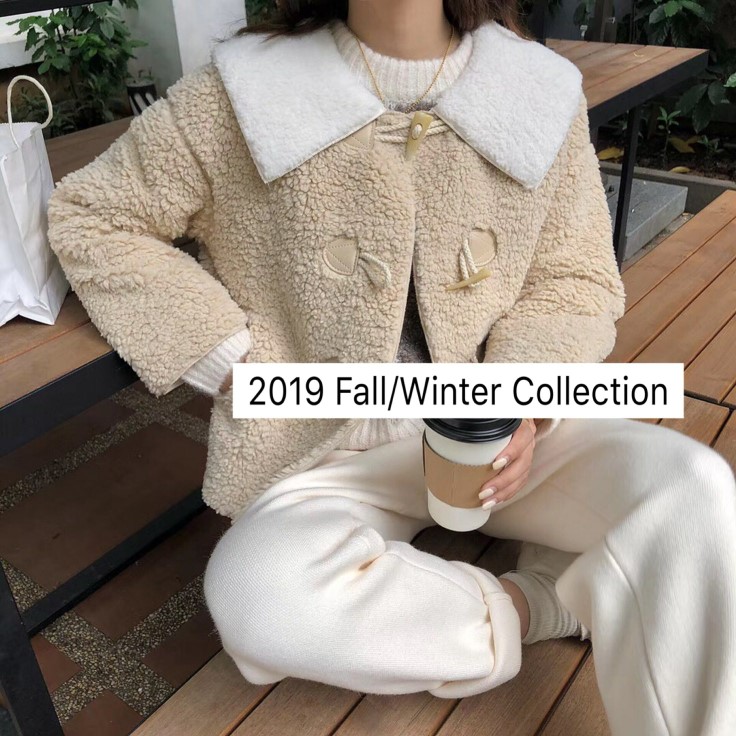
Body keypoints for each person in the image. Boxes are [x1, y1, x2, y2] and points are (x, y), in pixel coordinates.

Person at [46, 1, 736, 734]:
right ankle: (545, 599)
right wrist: (229, 360)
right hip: (327, 440)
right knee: (257, 594)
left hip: (499, 431)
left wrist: (524, 400)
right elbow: (91, 214)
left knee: (693, 489)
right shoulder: (239, 93)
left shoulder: (537, 90)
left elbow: (575, 277)